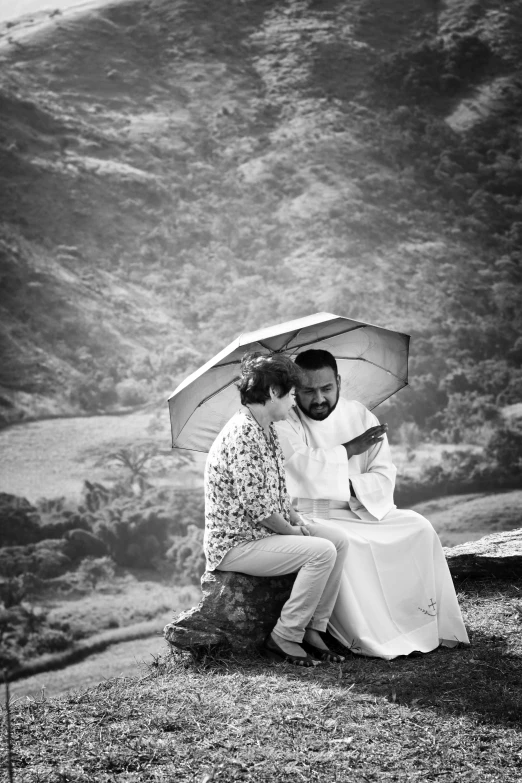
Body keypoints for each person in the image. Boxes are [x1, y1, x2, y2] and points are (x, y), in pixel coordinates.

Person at [275, 349, 470, 660]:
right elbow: (301, 469)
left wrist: (351, 487)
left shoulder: (361, 416)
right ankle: (370, 633)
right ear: (295, 390)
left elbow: (383, 472)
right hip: (314, 513)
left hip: (361, 507)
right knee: (347, 543)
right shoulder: (285, 420)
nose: (319, 399)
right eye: (309, 391)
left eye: (326, 389)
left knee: (419, 527)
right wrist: (350, 450)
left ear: (338, 382)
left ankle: (423, 621)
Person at [204, 352, 350, 666]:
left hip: (261, 534)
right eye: (292, 395)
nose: (295, 403)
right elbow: (258, 508)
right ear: (273, 393)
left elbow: (279, 492)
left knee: (338, 540)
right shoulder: (244, 435)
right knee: (321, 551)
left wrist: (297, 520)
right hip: (238, 544)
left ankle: (314, 628)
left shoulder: (266, 428)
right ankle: (285, 635)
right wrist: (293, 531)